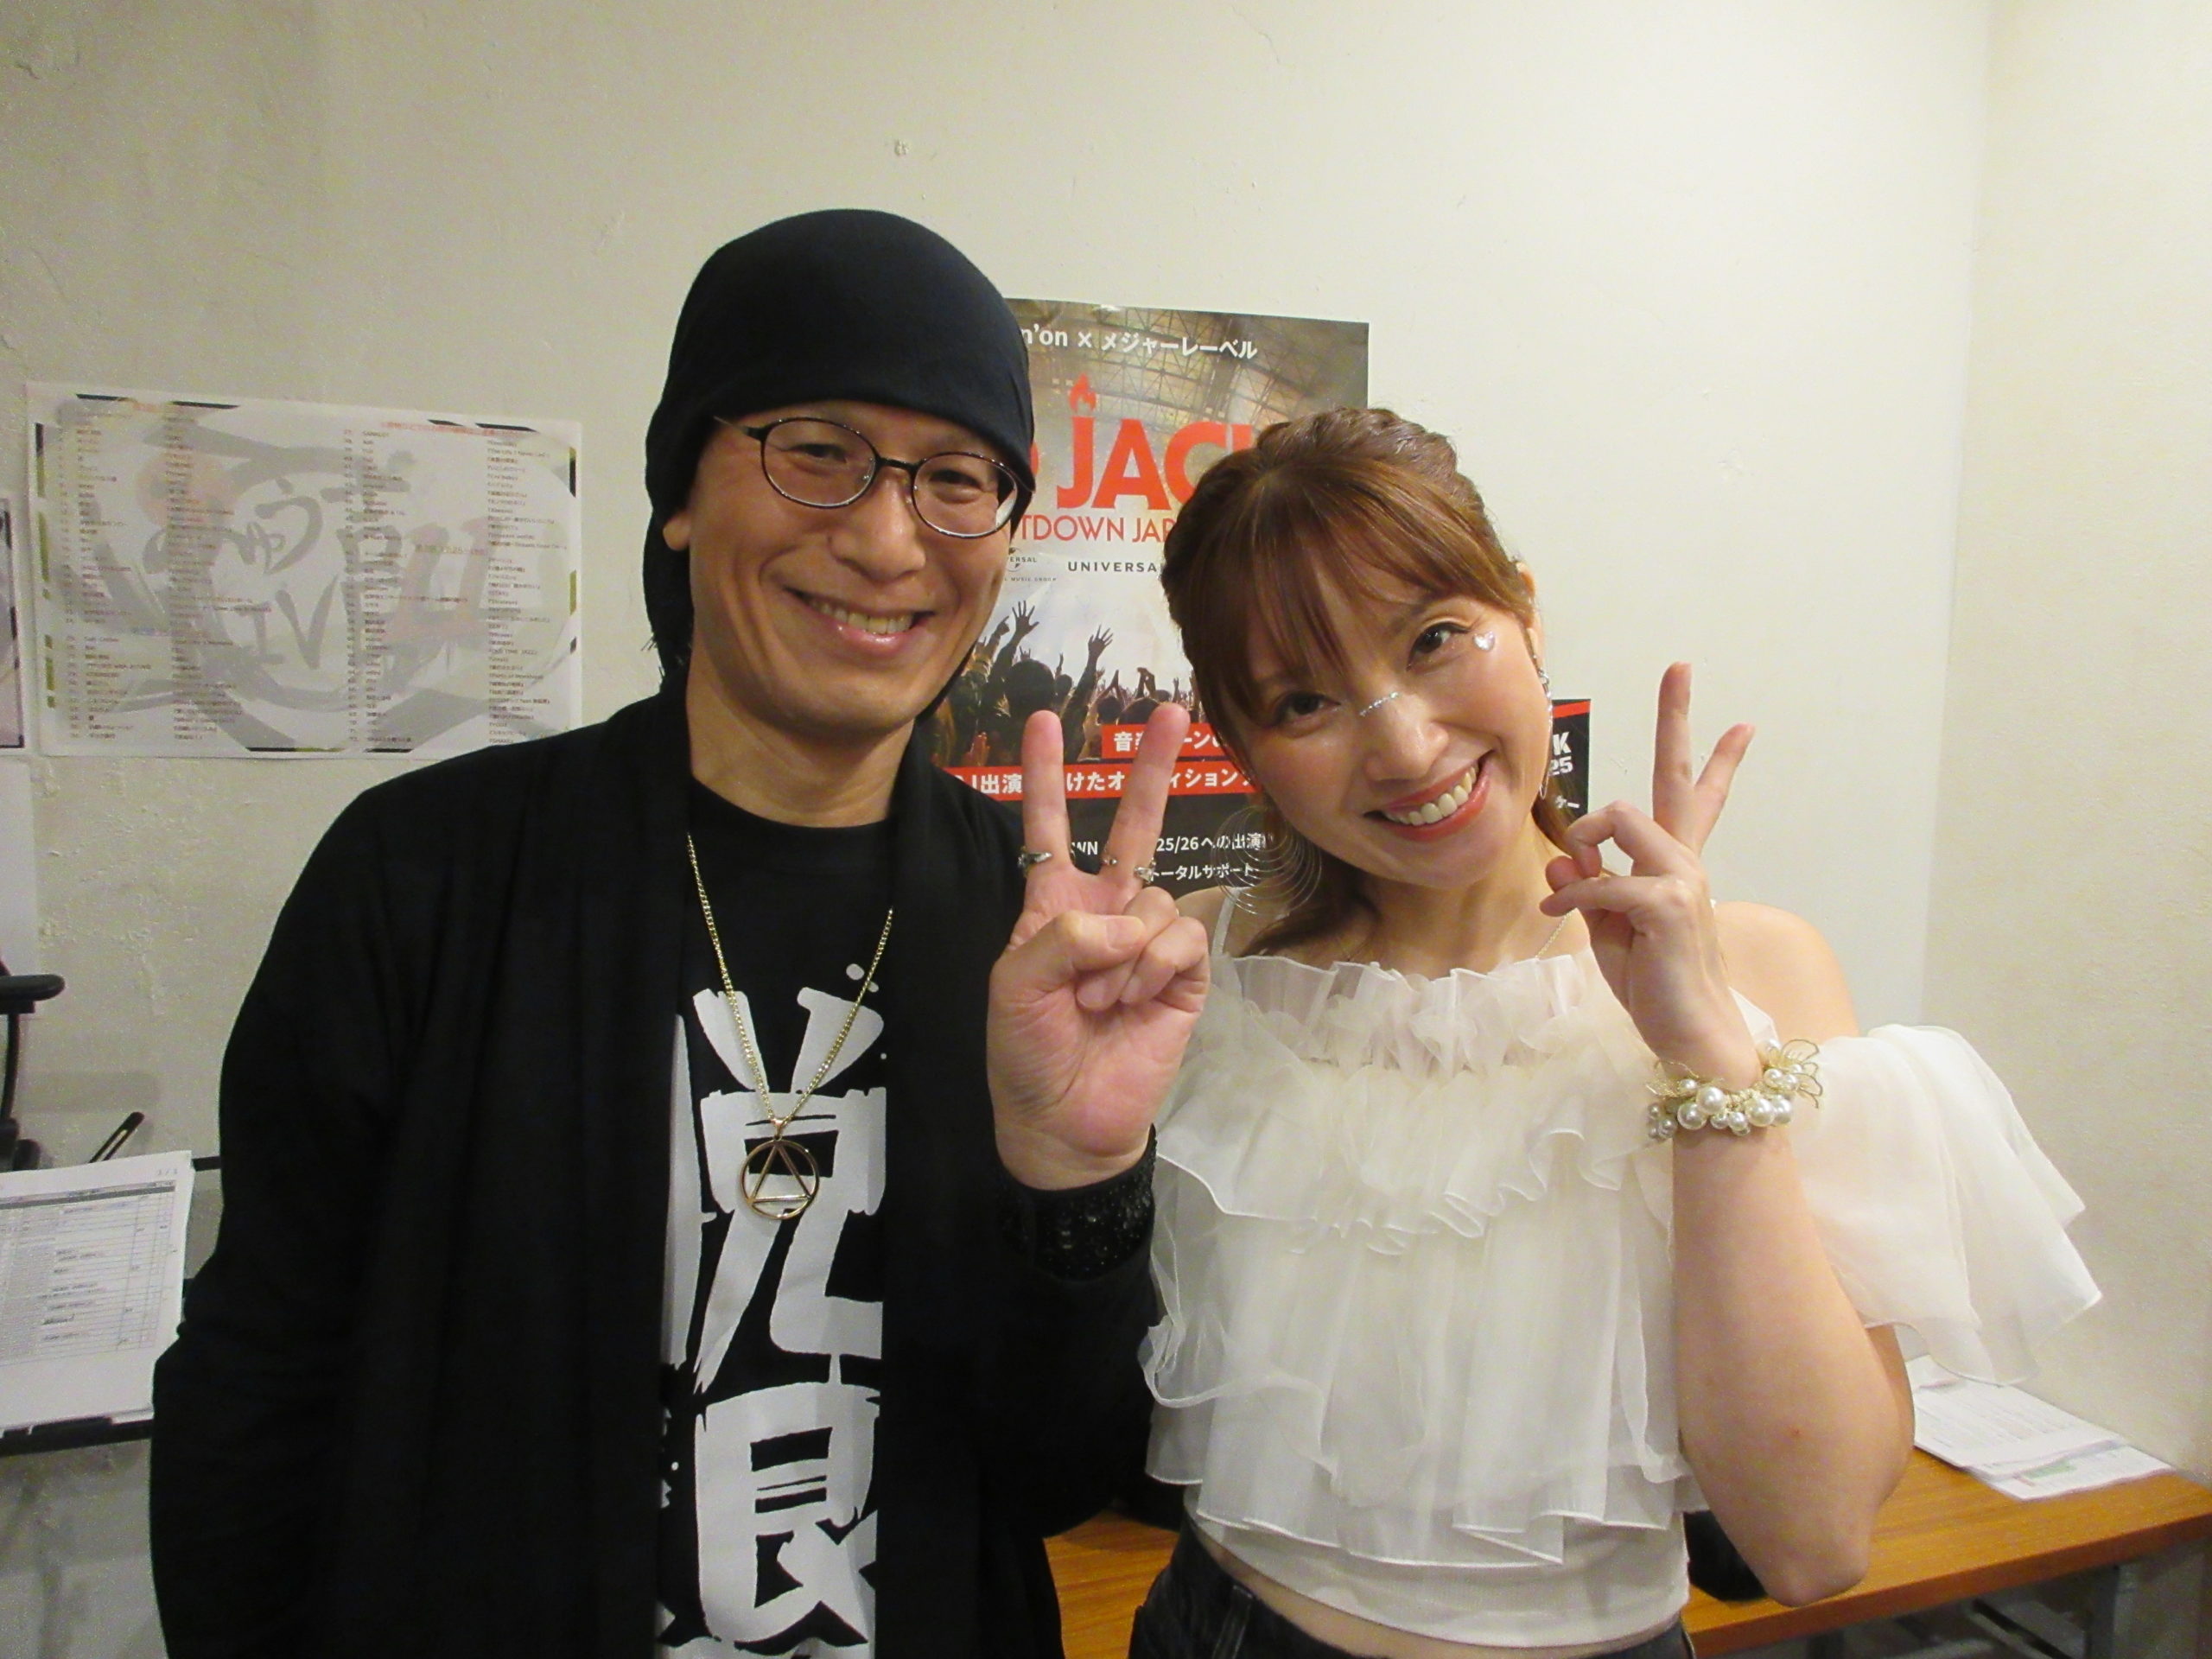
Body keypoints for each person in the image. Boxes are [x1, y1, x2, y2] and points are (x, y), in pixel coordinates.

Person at [149, 209, 1207, 1659]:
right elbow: (257, 1391)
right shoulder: (429, 879)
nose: (886, 537)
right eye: (818, 451)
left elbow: (1056, 1474)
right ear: (681, 495)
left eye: (958, 479)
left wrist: (1073, 1179)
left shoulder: (1029, 936)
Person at [1110, 407, 2098, 1659]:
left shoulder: (1756, 972)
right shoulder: (1194, 968)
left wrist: (1704, 1060)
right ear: (1244, 746)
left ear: (1525, 613)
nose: (1406, 746)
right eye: (1305, 701)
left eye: (1434, 638)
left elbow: (1812, 1542)